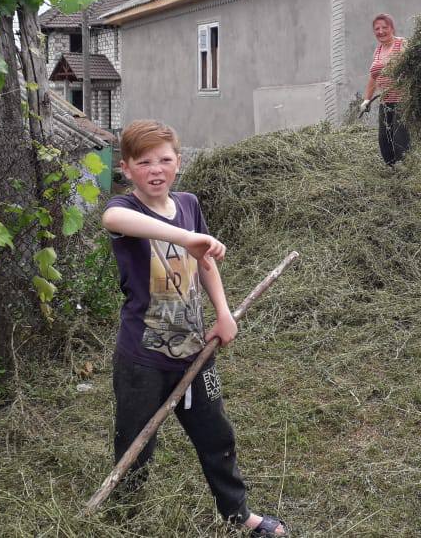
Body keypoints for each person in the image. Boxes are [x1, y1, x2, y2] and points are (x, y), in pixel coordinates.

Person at [100, 120, 287, 535]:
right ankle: (125, 518)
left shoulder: (188, 203)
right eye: (144, 162)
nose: (156, 169)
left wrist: (223, 313)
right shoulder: (126, 210)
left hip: (194, 352)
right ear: (127, 168)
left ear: (178, 162)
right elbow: (113, 218)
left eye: (165, 160)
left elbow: (205, 264)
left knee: (216, 434)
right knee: (135, 443)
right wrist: (185, 237)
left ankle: (239, 514)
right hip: (141, 360)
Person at [360, 12, 411, 165]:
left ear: (392, 28)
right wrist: (366, 99)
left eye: (384, 27)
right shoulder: (378, 50)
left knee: (399, 138)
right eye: (377, 29)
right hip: (386, 100)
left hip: (403, 99)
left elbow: (412, 67)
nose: (381, 31)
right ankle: (391, 169)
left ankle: (406, 169)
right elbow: (373, 77)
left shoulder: (402, 44)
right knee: (384, 139)